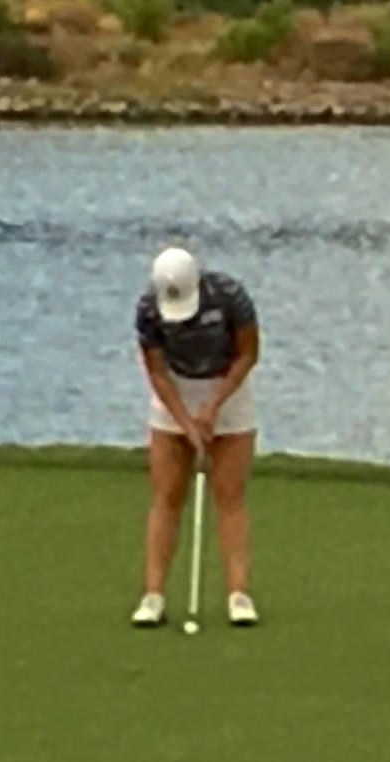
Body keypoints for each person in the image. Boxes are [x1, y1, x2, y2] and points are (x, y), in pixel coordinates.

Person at [130, 247, 262, 627]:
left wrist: (214, 407)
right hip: (174, 392)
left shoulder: (230, 296)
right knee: (167, 494)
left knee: (229, 495)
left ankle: (238, 594)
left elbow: (248, 353)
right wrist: (187, 423)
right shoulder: (149, 309)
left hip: (229, 388)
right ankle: (153, 596)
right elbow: (156, 371)